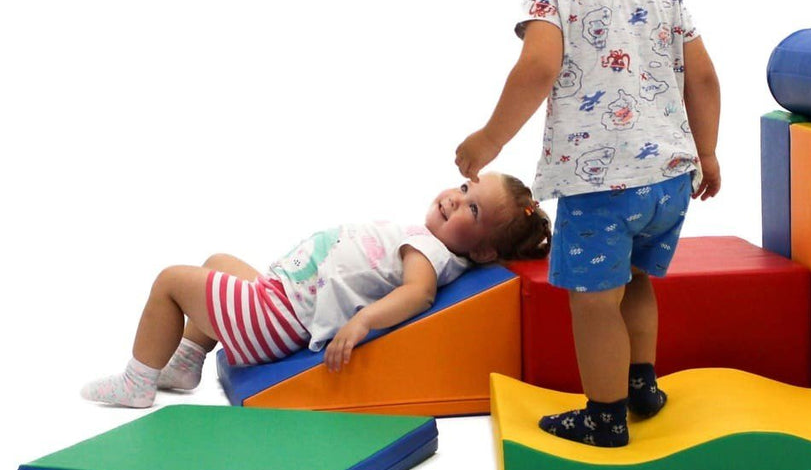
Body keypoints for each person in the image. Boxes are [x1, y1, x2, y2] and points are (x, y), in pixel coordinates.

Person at [455, 0, 721, 448]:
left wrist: (490, 139)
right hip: (670, 179)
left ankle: (605, 416)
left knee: (592, 301)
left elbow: (538, 67)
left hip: (602, 183)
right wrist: (706, 152)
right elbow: (703, 76)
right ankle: (640, 384)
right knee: (636, 282)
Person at [80, 172, 551, 408]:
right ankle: (184, 365)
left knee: (170, 281)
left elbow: (418, 296)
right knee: (217, 263)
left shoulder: (430, 258)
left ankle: (137, 383)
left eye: (472, 210)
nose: (455, 198)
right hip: (280, 299)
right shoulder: (433, 244)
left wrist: (362, 322)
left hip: (282, 319)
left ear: (486, 253)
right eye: (464, 188)